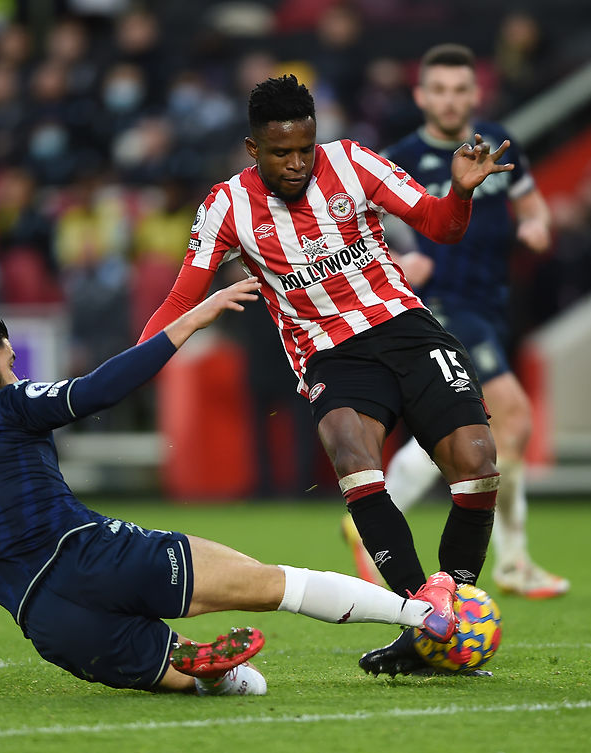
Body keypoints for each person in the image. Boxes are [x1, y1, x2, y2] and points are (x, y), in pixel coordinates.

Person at [0, 278, 460, 696]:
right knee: (275, 584)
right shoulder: (7, 405)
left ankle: (203, 669)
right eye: (10, 363)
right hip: (94, 557)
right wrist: (189, 321)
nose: (16, 372)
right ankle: (419, 614)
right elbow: (97, 391)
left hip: (47, 623)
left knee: (248, 686)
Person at [138, 74, 510, 676]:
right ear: (253, 149)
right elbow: (181, 299)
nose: (296, 163)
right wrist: (132, 366)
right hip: (332, 354)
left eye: (305, 149)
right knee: (349, 448)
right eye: (280, 153)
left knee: (479, 461)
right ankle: (425, 620)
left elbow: (441, 225)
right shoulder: (226, 205)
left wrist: (460, 194)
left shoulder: (356, 164)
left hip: (406, 330)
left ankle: (444, 610)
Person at [348, 43, 568, 600]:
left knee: (472, 428)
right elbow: (356, 230)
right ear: (421, 96)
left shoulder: (495, 141)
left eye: (460, 89)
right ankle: (513, 562)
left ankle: (374, 510)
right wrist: (397, 259)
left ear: (475, 93)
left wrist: (538, 224)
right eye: (438, 90)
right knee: (513, 418)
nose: (450, 100)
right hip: (437, 306)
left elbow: (533, 203)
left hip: (492, 305)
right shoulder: (398, 156)